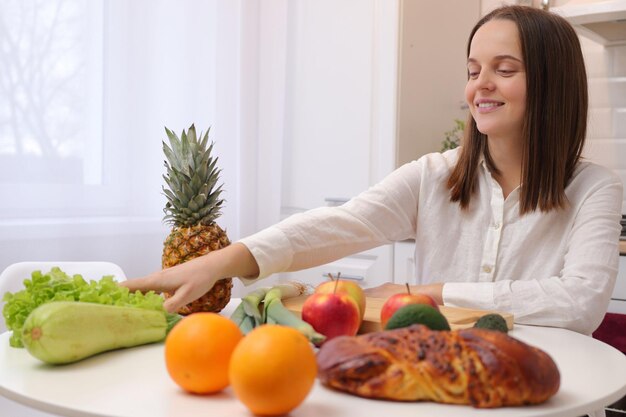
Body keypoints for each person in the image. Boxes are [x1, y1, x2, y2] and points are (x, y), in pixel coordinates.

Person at [122, 5, 623, 335]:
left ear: (553, 84)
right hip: (437, 379)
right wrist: (218, 262)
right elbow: (339, 225)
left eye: (504, 69)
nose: (480, 86)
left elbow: (578, 303)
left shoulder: (595, 189)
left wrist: (431, 292)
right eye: (473, 71)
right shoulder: (433, 175)